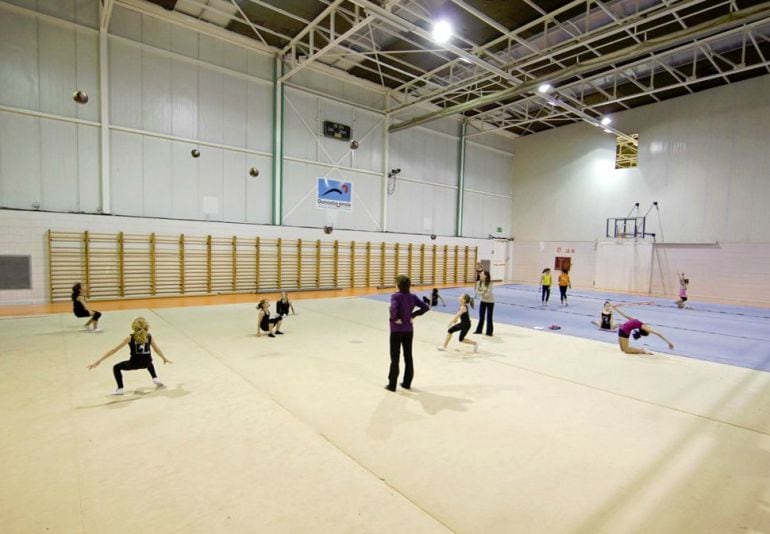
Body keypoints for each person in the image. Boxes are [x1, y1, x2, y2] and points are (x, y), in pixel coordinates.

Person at [87, 317, 171, 395]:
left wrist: (98, 361)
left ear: (133, 327)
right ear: (147, 327)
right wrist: (164, 358)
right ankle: (155, 378)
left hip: (134, 364)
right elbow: (156, 349)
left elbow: (114, 350)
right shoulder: (149, 336)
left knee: (116, 367)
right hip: (147, 363)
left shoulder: (130, 337)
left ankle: (120, 389)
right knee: (148, 361)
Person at [387, 275, 429, 391]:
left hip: (396, 330)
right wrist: (413, 315)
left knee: (395, 358)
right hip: (408, 330)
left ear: (398, 285)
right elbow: (425, 307)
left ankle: (392, 384)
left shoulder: (395, 296)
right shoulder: (413, 297)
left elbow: (393, 309)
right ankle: (407, 383)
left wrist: (395, 318)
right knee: (408, 356)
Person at [474, 270, 494, 336]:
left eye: (481, 274)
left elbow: (488, 294)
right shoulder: (478, 282)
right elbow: (477, 292)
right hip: (482, 301)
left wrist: (482, 292)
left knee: (489, 317)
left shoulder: (490, 283)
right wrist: (484, 291)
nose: (480, 274)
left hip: (490, 302)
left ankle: (489, 332)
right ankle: (479, 330)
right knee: (481, 316)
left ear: (485, 276)